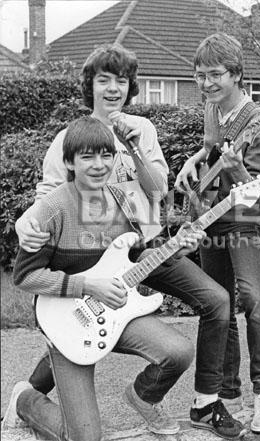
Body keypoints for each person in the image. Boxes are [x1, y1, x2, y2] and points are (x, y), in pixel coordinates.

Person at [5, 43, 245, 440]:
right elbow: (43, 204)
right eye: (104, 80)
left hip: (146, 248)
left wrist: (133, 148)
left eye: (121, 80)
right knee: (80, 320)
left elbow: (158, 191)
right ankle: (31, 393)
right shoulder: (68, 139)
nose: (113, 88)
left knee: (217, 300)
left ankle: (203, 403)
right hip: (88, 261)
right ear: (91, 86)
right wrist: (22, 228)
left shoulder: (143, 130)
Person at [3, 115, 199, 441]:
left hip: (113, 312)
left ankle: (143, 396)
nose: (98, 165)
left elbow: (139, 257)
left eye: (106, 155)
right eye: (88, 156)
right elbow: (24, 277)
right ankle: (25, 400)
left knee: (177, 352)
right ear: (69, 162)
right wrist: (87, 285)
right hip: (64, 321)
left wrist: (178, 248)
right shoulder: (51, 209)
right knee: (84, 437)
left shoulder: (125, 200)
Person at [175, 33, 260, 434]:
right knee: (219, 302)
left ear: (236, 75)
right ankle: (227, 388)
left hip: (244, 216)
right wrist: (193, 159)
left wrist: (237, 169)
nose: (206, 84)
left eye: (215, 75)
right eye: (200, 76)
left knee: (254, 298)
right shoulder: (211, 107)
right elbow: (210, 146)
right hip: (210, 214)